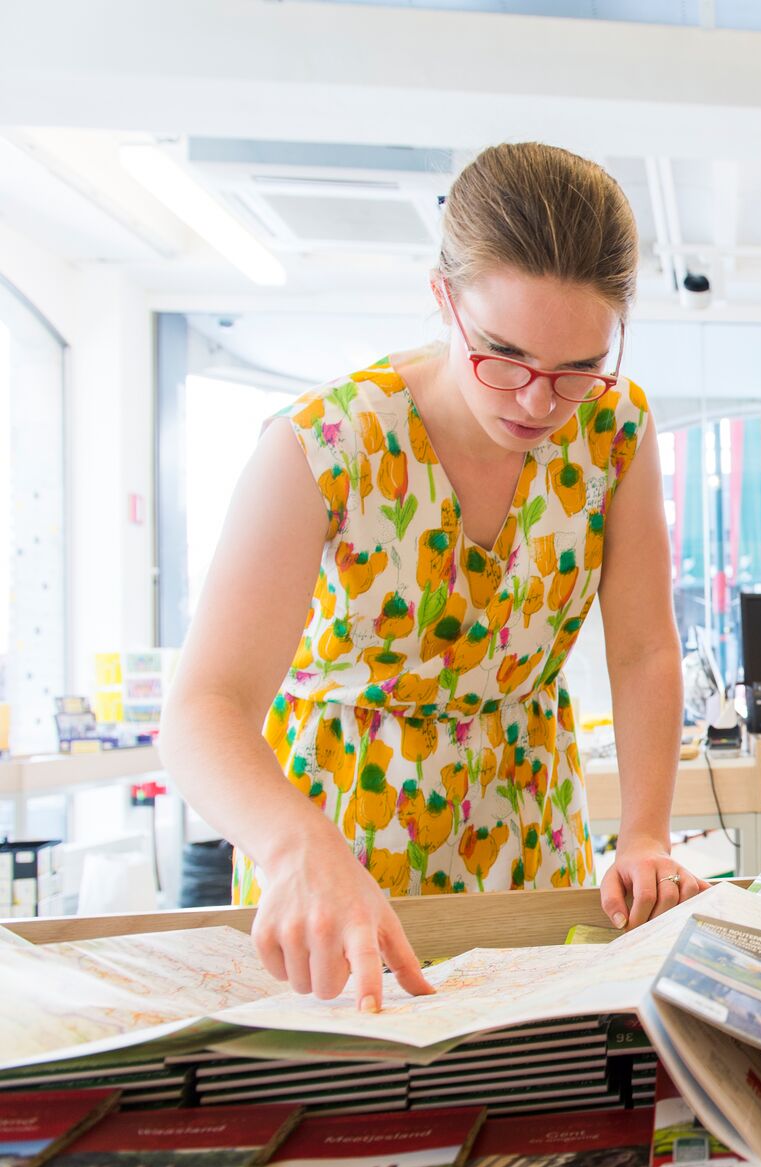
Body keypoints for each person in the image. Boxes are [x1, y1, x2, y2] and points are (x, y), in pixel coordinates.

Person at [162, 142, 705, 1011]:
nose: (537, 402)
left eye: (576, 368)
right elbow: (201, 709)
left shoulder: (613, 426)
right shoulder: (325, 445)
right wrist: (295, 848)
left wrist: (644, 831)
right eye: (505, 354)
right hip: (339, 838)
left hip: (530, 825)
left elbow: (643, 648)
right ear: (441, 299)